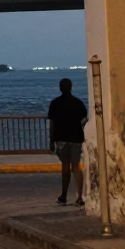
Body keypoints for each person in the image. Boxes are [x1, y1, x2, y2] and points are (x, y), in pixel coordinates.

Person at [47, 77, 88, 207]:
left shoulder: (55, 103)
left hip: (61, 139)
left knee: (65, 166)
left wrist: (51, 141)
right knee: (76, 166)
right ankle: (80, 197)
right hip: (76, 138)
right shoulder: (78, 103)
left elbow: (52, 124)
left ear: (60, 88)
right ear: (71, 87)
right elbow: (85, 121)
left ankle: (64, 196)